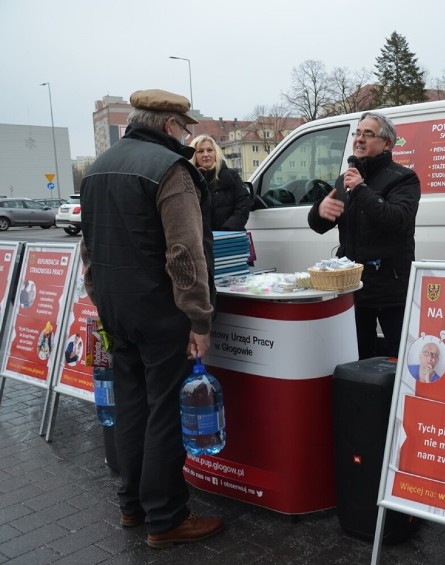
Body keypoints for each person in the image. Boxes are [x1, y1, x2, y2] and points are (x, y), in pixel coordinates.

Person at [79, 88, 223, 548]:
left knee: (133, 406)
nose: (187, 136)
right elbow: (185, 253)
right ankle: (166, 518)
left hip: (117, 306)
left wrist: (99, 296)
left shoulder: (97, 168)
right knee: (164, 410)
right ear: (167, 125)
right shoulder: (170, 169)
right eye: (185, 127)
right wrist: (199, 319)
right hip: (161, 310)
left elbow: (89, 247)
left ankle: (132, 505)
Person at [307, 112, 420, 360]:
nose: (359, 139)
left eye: (368, 134)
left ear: (387, 143)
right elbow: (319, 225)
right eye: (357, 133)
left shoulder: (404, 178)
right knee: (357, 359)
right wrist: (319, 212)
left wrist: (360, 189)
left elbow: (395, 219)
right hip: (352, 289)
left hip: (389, 289)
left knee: (400, 358)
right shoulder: (346, 178)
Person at [190, 135, 251, 231]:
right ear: (194, 155)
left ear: (216, 153)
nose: (205, 154)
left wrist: (228, 230)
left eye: (209, 150)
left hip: (230, 237)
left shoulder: (231, 176)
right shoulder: (189, 179)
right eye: (200, 151)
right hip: (201, 240)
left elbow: (243, 205)